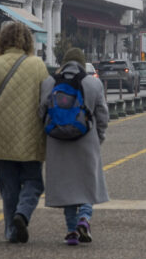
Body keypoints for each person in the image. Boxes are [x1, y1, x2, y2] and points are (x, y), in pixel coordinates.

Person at [0, 22, 49, 243]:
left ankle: (11, 231)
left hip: (0, 133)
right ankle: (22, 214)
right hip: (30, 132)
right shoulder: (37, 64)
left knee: (9, 188)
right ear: (28, 41)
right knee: (34, 181)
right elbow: (44, 94)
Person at [39, 47, 109, 245]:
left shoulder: (49, 83)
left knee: (66, 185)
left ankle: (71, 231)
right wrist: (99, 136)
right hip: (86, 139)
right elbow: (103, 115)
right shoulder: (93, 83)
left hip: (57, 141)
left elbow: (41, 112)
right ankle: (84, 218)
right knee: (87, 183)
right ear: (82, 62)